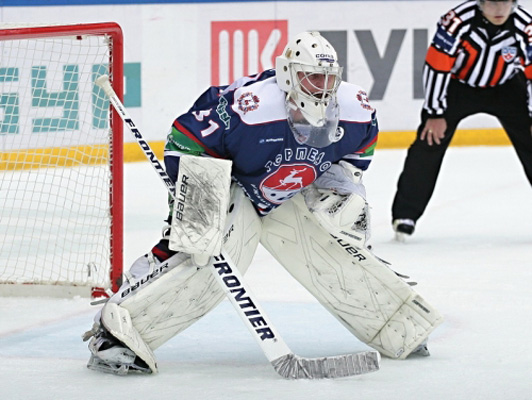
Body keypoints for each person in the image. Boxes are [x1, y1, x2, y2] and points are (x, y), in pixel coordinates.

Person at [83, 31, 442, 376]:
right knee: (200, 254)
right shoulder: (251, 109)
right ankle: (115, 334)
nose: (322, 87)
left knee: (336, 243)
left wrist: (340, 191)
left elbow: (357, 152)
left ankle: (397, 325)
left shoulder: (354, 109)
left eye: (328, 78)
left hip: (290, 193)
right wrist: (199, 195)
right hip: (235, 186)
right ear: (288, 75)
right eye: (312, 77)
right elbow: (185, 138)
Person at [392, 0, 532, 240]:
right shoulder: (456, 21)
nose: (499, 10)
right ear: (481, 2)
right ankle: (405, 215)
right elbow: (437, 65)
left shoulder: (525, 27)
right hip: (458, 87)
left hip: (507, 87)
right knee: (429, 141)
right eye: (492, 3)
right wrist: (435, 113)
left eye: (505, 3)